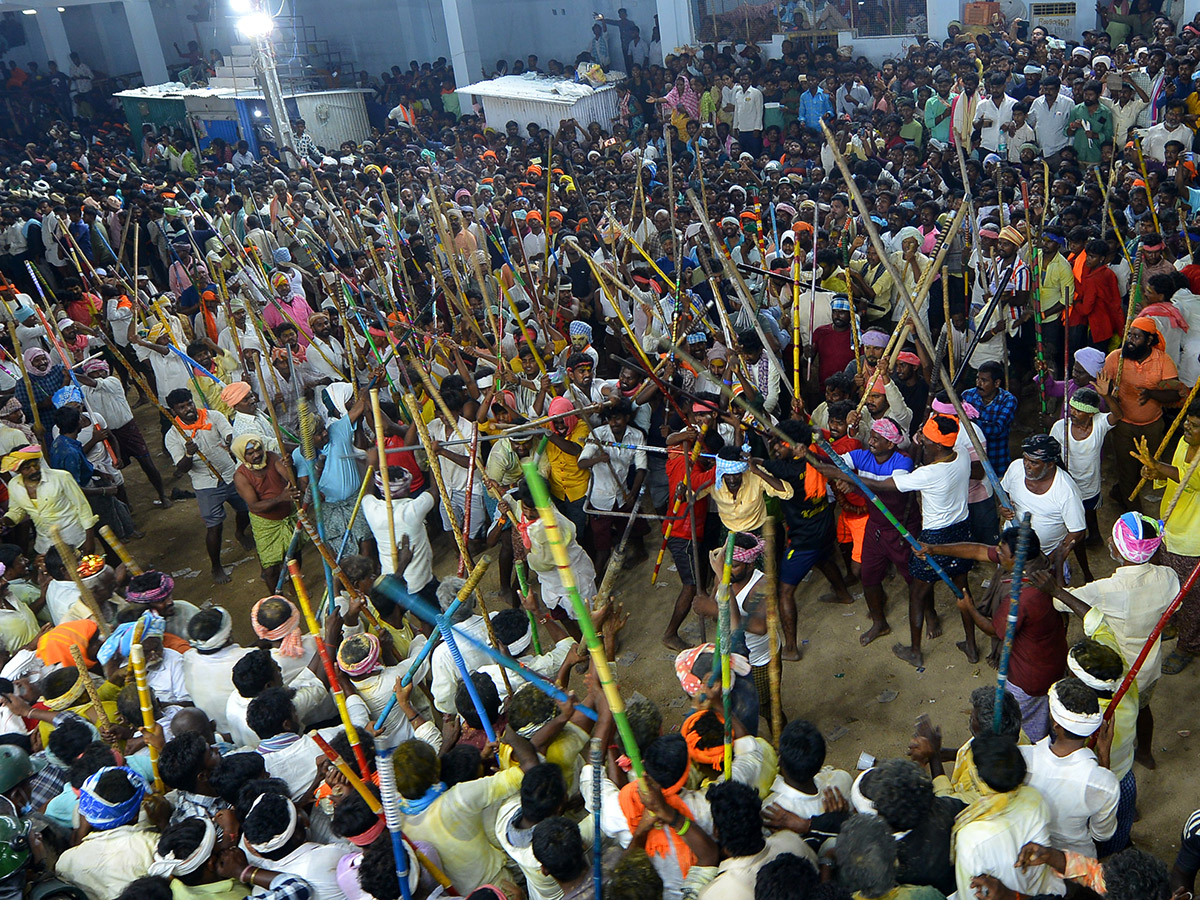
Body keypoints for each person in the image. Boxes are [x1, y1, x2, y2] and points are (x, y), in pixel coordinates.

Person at [1102, 316, 1183, 505]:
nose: (1130, 340)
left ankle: (1120, 492)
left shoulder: (1163, 360)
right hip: (1123, 426)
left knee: (1151, 466)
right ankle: (1132, 509)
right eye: (1129, 335)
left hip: (1152, 426)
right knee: (1127, 469)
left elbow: (1175, 395)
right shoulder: (1116, 358)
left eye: (1136, 337)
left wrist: (1152, 394)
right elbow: (1102, 386)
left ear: (1148, 341)